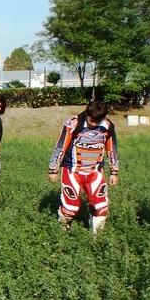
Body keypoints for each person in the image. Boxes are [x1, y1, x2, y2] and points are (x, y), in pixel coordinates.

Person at [48, 100, 119, 234]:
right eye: (91, 120)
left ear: (103, 118)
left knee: (101, 207)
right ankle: (63, 232)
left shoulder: (108, 126)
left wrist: (114, 172)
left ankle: (96, 238)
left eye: (96, 121)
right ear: (87, 113)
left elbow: (112, 150)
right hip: (72, 171)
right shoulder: (74, 124)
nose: (93, 124)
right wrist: (53, 169)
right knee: (70, 208)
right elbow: (60, 146)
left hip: (95, 172)